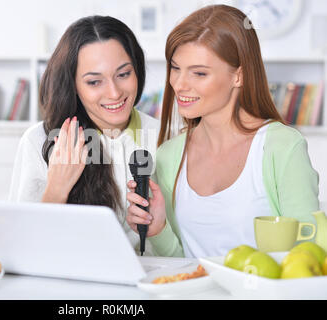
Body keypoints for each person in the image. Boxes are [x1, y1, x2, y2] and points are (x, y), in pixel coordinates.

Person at [126, 5, 319, 258]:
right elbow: (180, 265)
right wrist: (158, 229)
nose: (179, 84)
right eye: (175, 68)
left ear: (238, 76)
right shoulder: (169, 155)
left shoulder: (282, 147)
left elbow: (310, 257)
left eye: (199, 73)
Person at [9, 16, 160, 255]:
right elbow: (24, 247)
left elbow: (181, 246)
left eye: (123, 74)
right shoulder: (40, 141)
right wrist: (57, 189)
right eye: (94, 81)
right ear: (73, 86)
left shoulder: (164, 136)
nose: (114, 92)